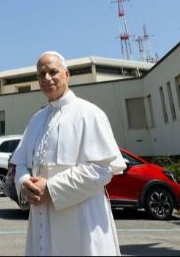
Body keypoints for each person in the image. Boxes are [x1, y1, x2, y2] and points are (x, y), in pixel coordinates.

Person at [11, 52, 126, 256]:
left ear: (67, 74)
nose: (46, 78)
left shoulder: (89, 113)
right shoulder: (36, 119)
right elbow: (20, 163)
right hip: (41, 218)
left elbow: (102, 170)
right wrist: (24, 183)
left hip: (82, 222)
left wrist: (52, 188)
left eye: (53, 72)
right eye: (41, 74)